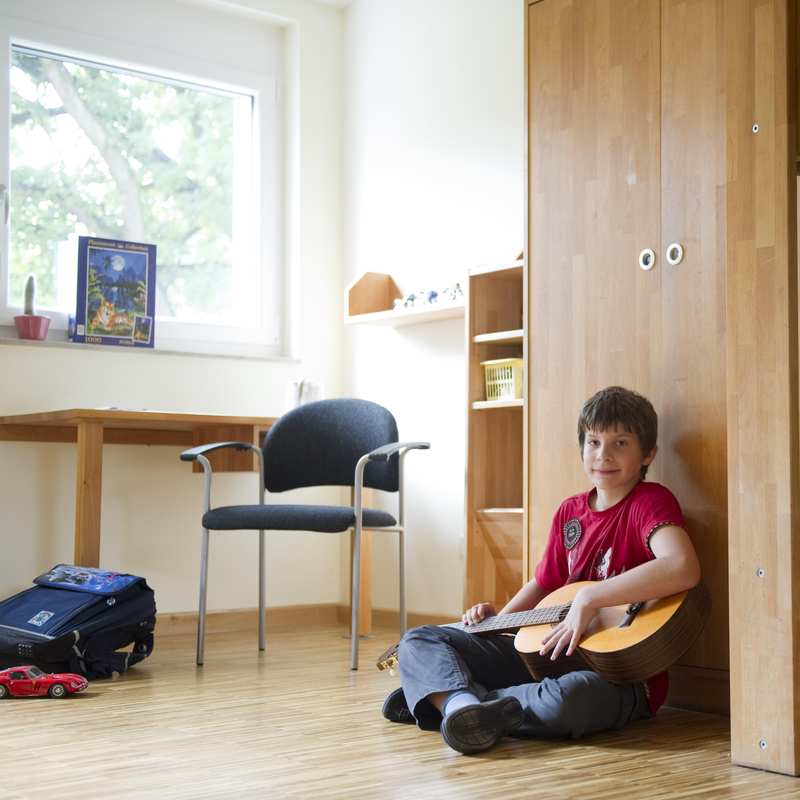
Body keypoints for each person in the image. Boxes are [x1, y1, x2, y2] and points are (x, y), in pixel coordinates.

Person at [381, 386, 702, 755]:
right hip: (545, 658)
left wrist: (591, 597)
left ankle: (447, 698)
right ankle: (461, 708)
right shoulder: (570, 512)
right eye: (594, 442)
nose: (604, 455)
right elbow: (545, 583)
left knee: (572, 699)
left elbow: (681, 566)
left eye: (621, 443)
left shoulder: (650, 502)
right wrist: (498, 622)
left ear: (648, 454)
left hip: (620, 676)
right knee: (419, 639)